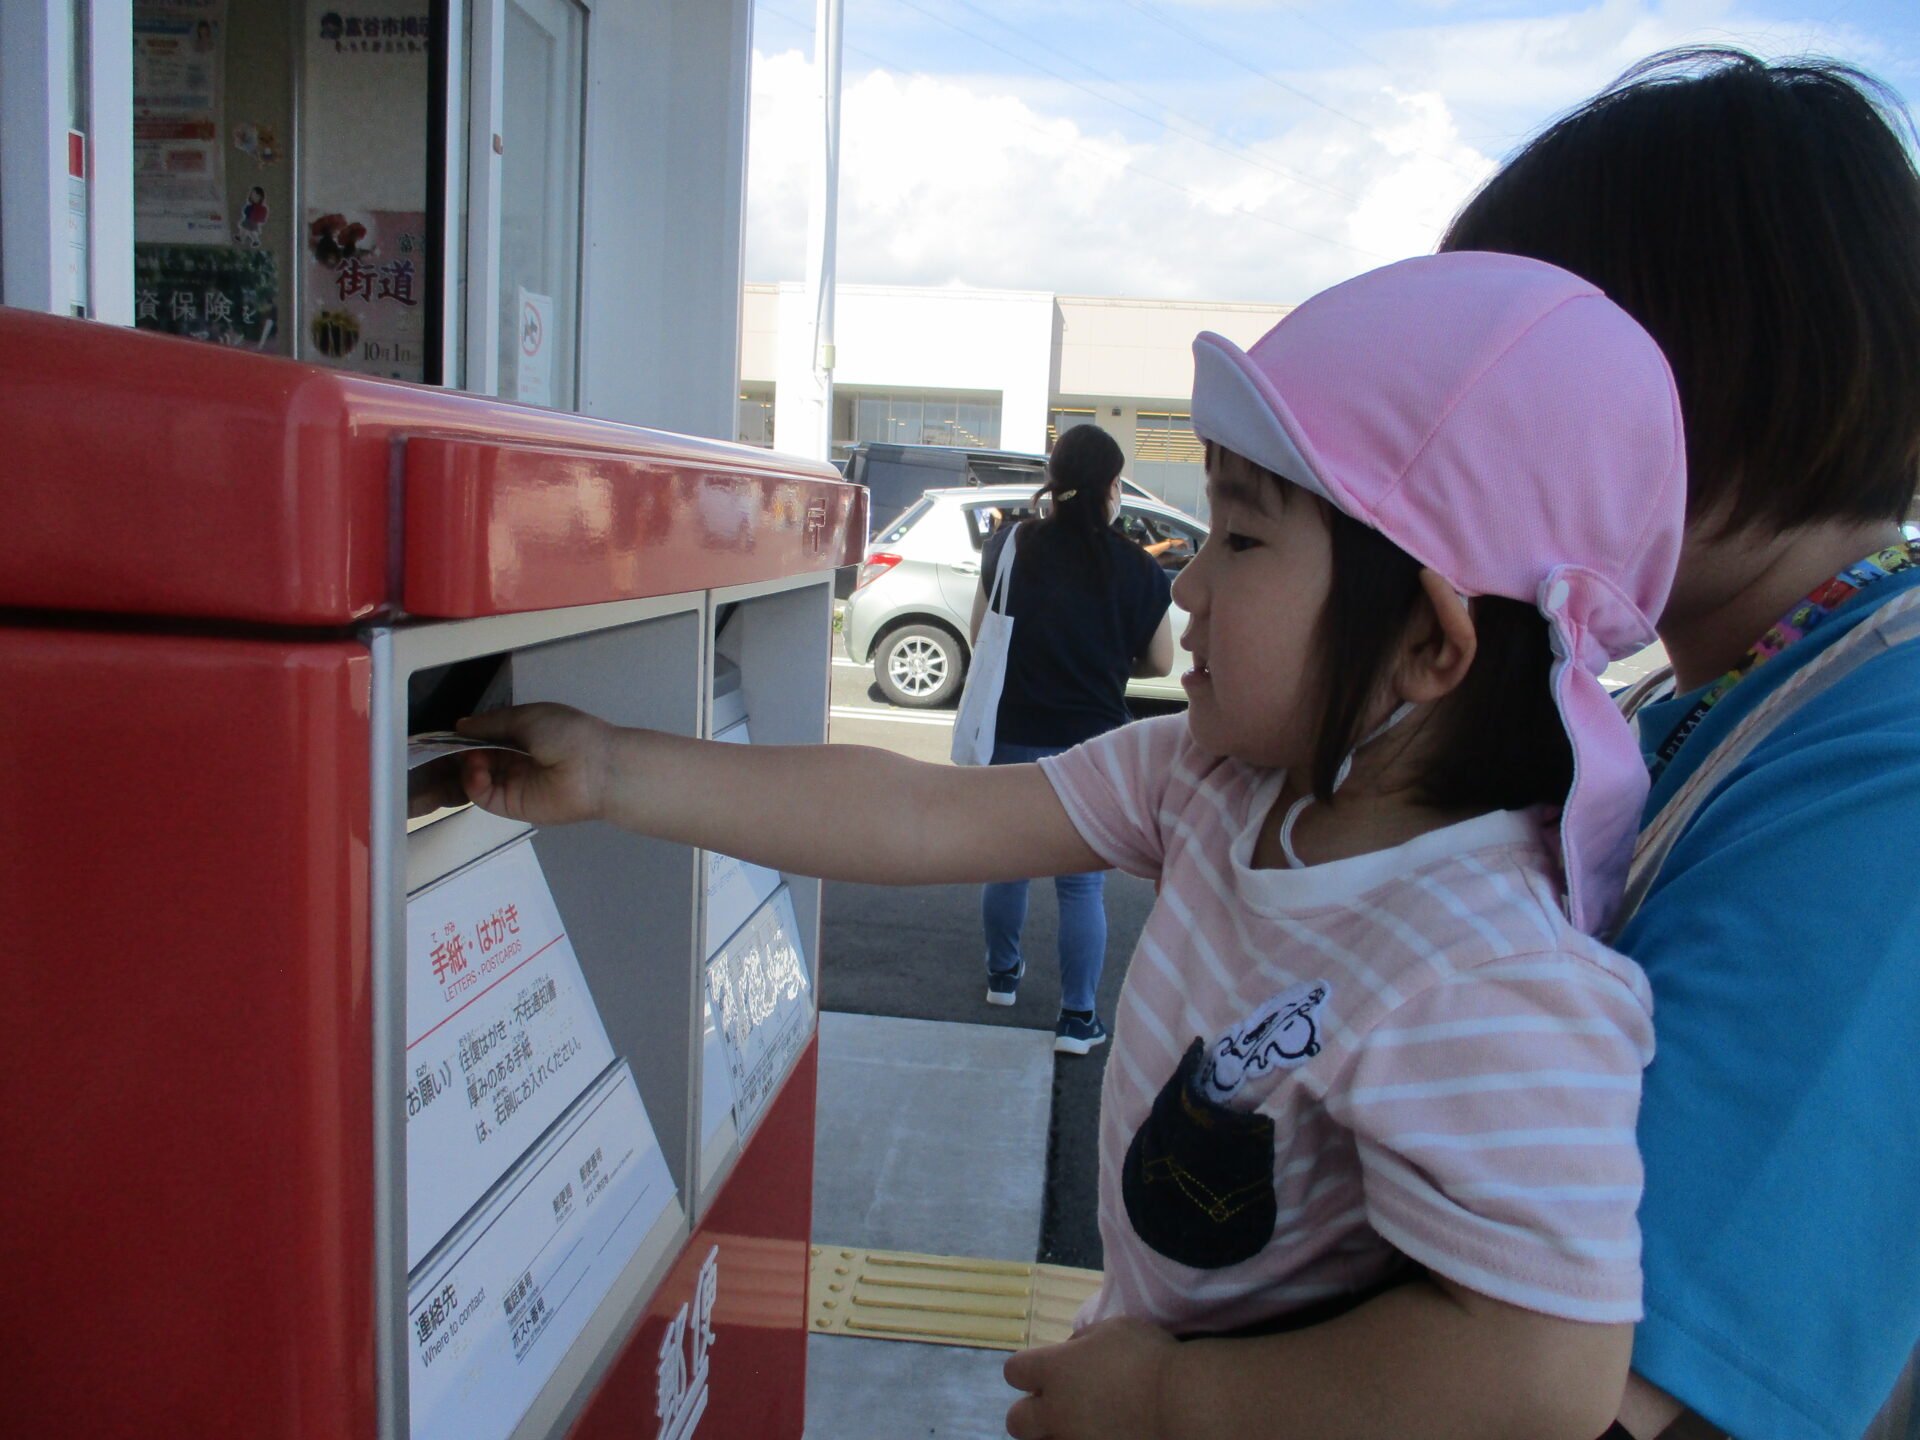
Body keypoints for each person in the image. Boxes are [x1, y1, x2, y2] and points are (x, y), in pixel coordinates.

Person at [448, 249, 1687, 1439]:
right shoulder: (1216, 784)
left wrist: (1170, 1409)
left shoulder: (1489, 978)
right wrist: (615, 770)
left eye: (1243, 541)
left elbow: (1544, 1371)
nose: (1189, 586)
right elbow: (924, 811)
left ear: (1430, 643)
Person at [1436, 49, 1920, 1440]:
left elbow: (1591, 1397)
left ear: (1693, 375)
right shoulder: (1706, 698)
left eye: (1505, 380)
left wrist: (1181, 1400)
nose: (1458, 446)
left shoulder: (1887, 770)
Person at [969, 423, 1174, 1054]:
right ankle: (1076, 1019)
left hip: (1012, 731)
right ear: (1114, 487)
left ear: (1053, 479)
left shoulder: (1010, 545)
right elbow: (1161, 664)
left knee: (1005, 869)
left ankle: (1002, 978)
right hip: (1092, 744)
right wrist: (1109, 664)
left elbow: (984, 635)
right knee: (1082, 886)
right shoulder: (1139, 569)